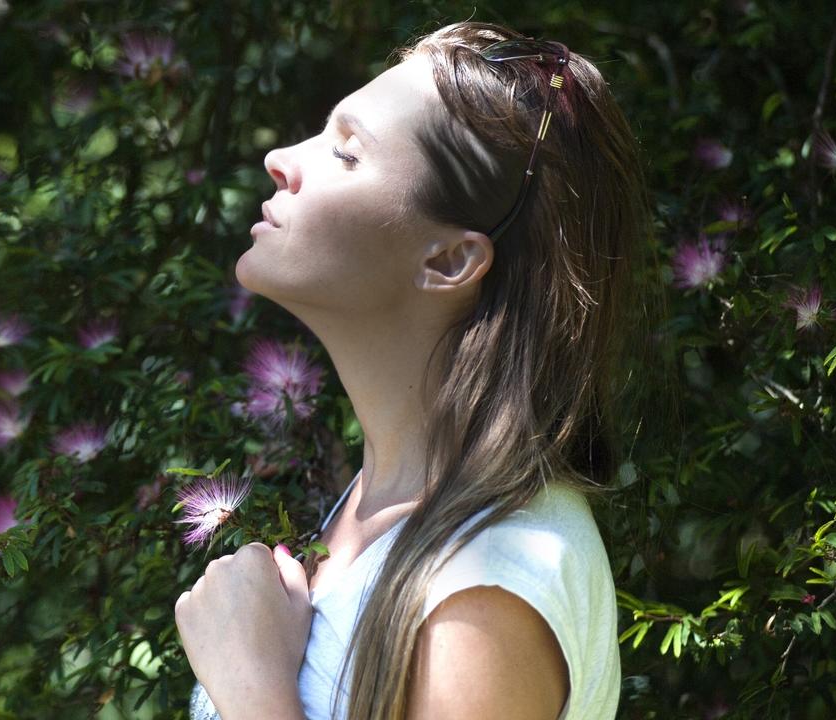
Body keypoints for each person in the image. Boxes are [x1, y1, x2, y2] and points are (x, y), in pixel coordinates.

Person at [176, 19, 662, 720]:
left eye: (346, 152)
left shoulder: (487, 588)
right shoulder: (383, 510)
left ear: (449, 260)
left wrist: (250, 685)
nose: (281, 158)